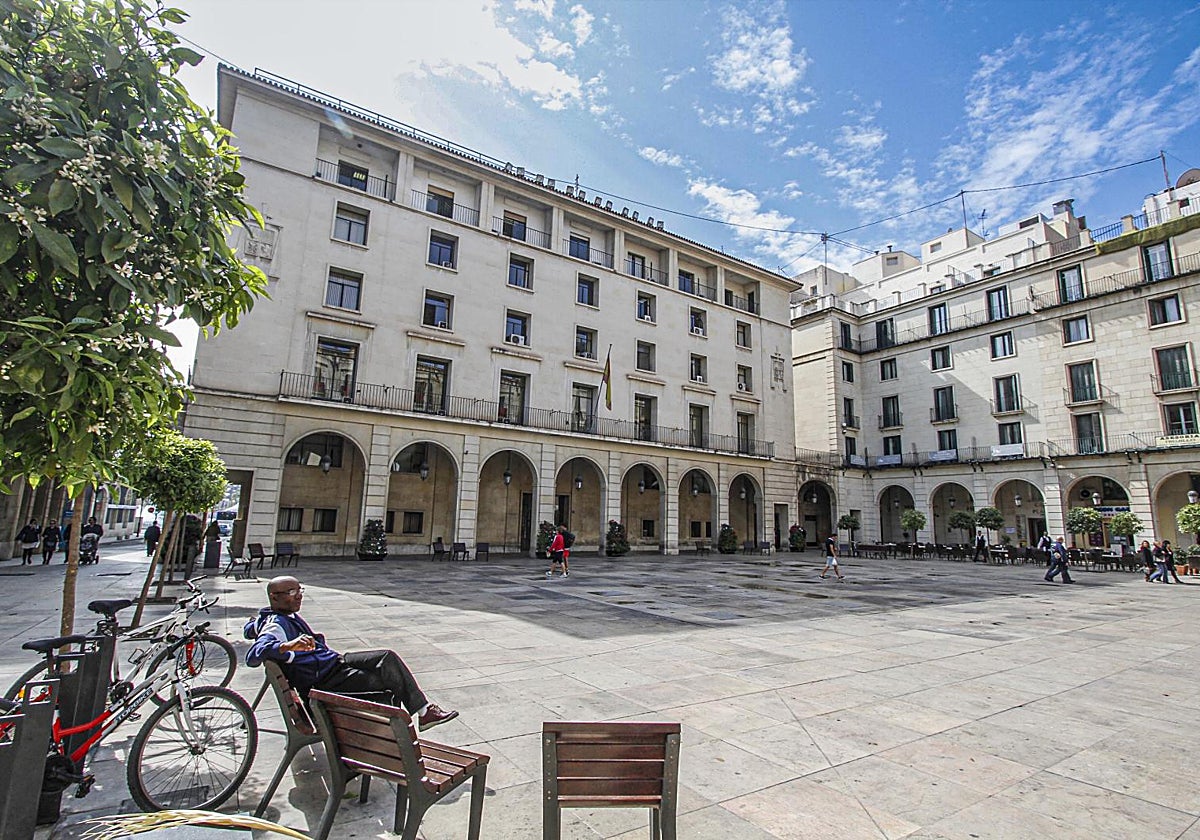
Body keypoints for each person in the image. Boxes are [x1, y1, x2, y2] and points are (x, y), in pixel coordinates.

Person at [244, 576, 457, 729]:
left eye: (300, 590)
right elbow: (254, 655)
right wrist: (288, 646)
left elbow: (251, 629)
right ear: (274, 597)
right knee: (390, 682)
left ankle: (424, 712)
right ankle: (411, 725)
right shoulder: (277, 625)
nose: (299, 596)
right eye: (292, 592)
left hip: (334, 662)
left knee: (386, 658)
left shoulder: (273, 616)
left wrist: (253, 625)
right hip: (326, 678)